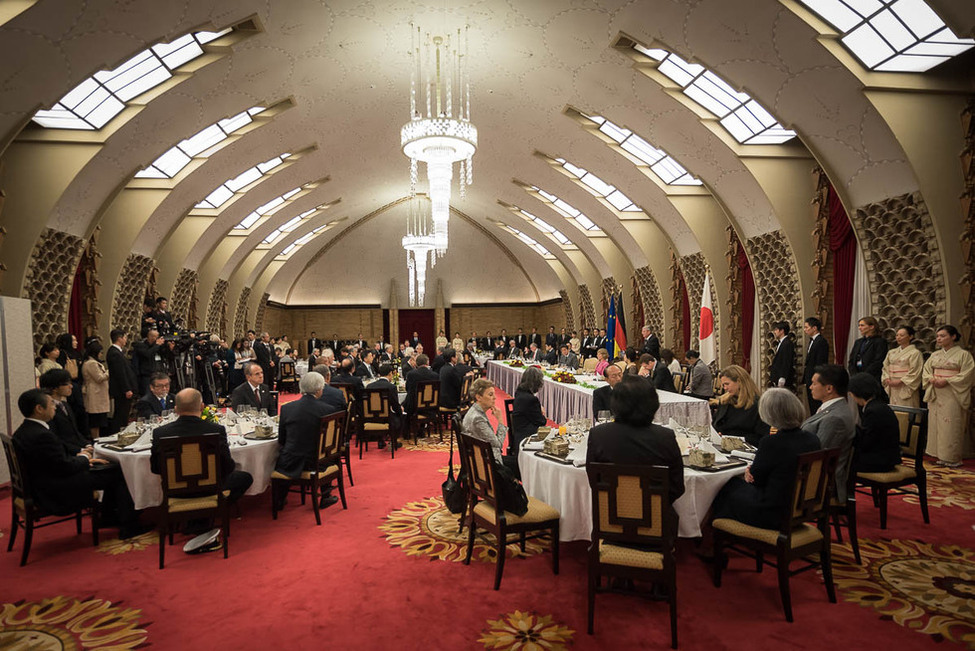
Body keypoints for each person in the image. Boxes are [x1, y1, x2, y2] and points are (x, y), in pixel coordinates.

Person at [13, 388, 147, 539]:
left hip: (43, 482)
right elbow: (65, 467)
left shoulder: (24, 430)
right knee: (119, 472)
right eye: (51, 404)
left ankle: (108, 517)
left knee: (107, 469)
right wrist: (84, 458)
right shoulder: (42, 435)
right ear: (39, 408)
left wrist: (82, 458)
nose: (55, 407)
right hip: (55, 489)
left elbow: (52, 460)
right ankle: (129, 526)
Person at [151, 388, 253, 544]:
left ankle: (192, 517)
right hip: (210, 489)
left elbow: (155, 469)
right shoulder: (215, 430)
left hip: (176, 492)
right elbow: (227, 467)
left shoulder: (160, 433)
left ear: (176, 409)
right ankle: (210, 513)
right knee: (244, 477)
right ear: (202, 407)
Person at [711, 389, 821, 529]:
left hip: (772, 512)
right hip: (800, 506)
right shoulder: (812, 439)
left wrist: (750, 472)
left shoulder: (771, 442)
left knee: (724, 487)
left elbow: (756, 480)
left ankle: (716, 534)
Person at [587, 376, 685, 508]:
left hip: (609, 516)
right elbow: (677, 486)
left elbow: (594, 480)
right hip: (656, 519)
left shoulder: (598, 435)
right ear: (653, 404)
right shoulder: (664, 437)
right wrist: (654, 504)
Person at [273, 372, 339, 510]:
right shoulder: (328, 410)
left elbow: (282, 439)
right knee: (327, 455)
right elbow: (330, 443)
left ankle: (280, 499)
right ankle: (325, 496)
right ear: (319, 389)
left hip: (290, 461)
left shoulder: (286, 408)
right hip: (316, 462)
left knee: (283, 456)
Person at [922, 324, 974, 468]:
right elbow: (926, 371)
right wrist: (931, 379)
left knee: (951, 423)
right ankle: (940, 455)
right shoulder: (935, 355)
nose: (939, 339)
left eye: (943, 336)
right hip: (936, 391)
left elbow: (967, 374)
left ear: (953, 337)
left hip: (952, 392)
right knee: (937, 423)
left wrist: (948, 380)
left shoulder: (964, 355)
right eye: (938, 336)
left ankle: (952, 457)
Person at [802, 364, 855, 500]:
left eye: (814, 383)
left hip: (822, 482)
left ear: (829, 388)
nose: (810, 387)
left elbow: (818, 454)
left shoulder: (835, 418)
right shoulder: (831, 408)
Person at [462, 378, 518, 477]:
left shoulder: (476, 412)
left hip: (484, 457)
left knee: (520, 462)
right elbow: (498, 444)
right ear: (478, 397)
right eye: (490, 395)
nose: (495, 398)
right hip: (487, 464)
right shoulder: (477, 418)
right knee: (520, 465)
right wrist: (500, 420)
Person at [848, 373, 901, 473]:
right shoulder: (878, 405)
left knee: (842, 463)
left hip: (880, 461)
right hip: (884, 455)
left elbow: (866, 442)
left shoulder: (873, 411)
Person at [711, 365, 769, 447]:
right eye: (723, 385)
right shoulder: (725, 401)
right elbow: (715, 424)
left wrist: (732, 439)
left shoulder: (758, 404)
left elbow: (761, 436)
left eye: (727, 384)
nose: (725, 388)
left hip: (746, 448)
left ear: (739, 381)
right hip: (723, 446)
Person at [39, 369, 92, 455]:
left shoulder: (65, 405)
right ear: (55, 388)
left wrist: (87, 445)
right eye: (67, 384)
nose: (71, 386)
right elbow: (57, 439)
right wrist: (80, 450)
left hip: (79, 449)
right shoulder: (48, 410)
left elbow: (75, 433)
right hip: (66, 454)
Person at [881, 325, 924, 408]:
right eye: (897, 335)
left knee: (906, 409)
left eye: (902, 335)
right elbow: (885, 367)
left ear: (910, 336)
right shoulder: (891, 352)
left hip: (905, 385)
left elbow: (915, 371)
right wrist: (887, 378)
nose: (898, 337)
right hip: (892, 384)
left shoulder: (915, 353)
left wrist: (901, 381)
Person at [509, 367, 547, 453]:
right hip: (527, 439)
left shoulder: (519, 392)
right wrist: (542, 413)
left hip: (518, 433)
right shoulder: (531, 400)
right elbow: (541, 422)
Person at [106, 329, 137, 435]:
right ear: (119, 338)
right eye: (125, 337)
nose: (125, 340)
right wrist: (127, 389)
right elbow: (120, 373)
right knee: (120, 414)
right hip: (121, 390)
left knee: (123, 413)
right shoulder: (114, 353)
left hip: (122, 389)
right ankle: (117, 434)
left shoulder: (117, 352)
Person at [369, 364, 404, 449]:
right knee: (400, 415)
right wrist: (400, 411)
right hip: (388, 417)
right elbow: (395, 405)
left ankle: (380, 440)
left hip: (372, 417)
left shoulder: (370, 386)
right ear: (390, 374)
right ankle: (394, 440)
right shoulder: (391, 387)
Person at [81, 339, 110, 439]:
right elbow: (99, 378)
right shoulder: (91, 363)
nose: (101, 355)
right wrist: (108, 372)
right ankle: (95, 439)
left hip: (98, 393)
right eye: (101, 353)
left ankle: (97, 438)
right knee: (95, 421)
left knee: (99, 420)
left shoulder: (92, 362)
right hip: (95, 394)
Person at [848, 316, 889, 381]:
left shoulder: (880, 342)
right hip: (857, 377)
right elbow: (852, 360)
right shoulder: (858, 342)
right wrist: (854, 374)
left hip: (872, 377)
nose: (859, 328)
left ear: (871, 327)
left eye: (862, 325)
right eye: (859, 325)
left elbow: (878, 361)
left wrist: (864, 375)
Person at [803, 317, 829, 413]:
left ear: (814, 328)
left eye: (806, 327)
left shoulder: (821, 341)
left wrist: (816, 378)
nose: (805, 330)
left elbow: (821, 362)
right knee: (811, 403)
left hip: (816, 377)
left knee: (816, 404)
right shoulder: (812, 341)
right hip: (810, 377)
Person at [768, 321, 795, 389]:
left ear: (782, 331)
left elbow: (786, 361)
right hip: (777, 377)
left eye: (776, 329)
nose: (775, 332)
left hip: (783, 379)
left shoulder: (787, 343)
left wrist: (782, 377)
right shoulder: (781, 343)